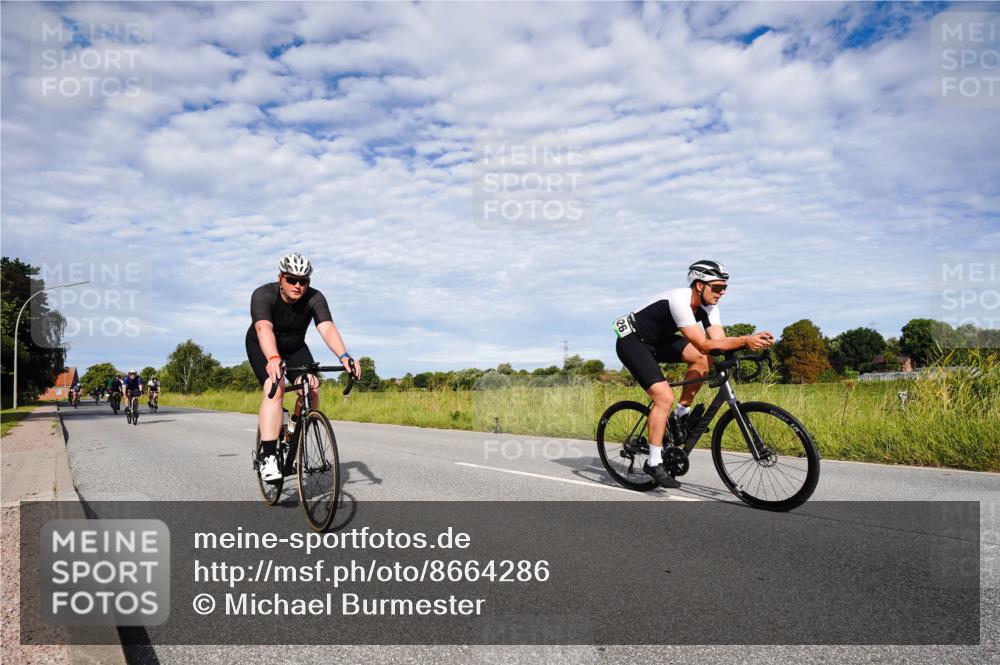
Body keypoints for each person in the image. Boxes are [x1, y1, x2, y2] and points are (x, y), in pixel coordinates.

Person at [614, 260, 775, 488]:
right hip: (632, 341)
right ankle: (654, 461)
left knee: (703, 359)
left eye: (725, 288)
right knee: (663, 397)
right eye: (717, 288)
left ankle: (680, 414)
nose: (722, 293)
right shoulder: (680, 300)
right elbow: (702, 342)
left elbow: (718, 343)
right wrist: (745, 340)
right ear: (699, 285)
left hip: (659, 341)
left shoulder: (709, 308)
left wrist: (747, 347)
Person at [247, 252, 360, 482]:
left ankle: (292, 434)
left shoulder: (315, 297)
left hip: (295, 347)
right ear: (281, 278)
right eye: (292, 279)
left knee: (312, 387)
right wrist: (273, 358)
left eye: (304, 280)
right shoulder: (263, 295)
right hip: (263, 346)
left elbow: (327, 327)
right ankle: (268, 457)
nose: (298, 285)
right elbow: (263, 328)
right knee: (275, 386)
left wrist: (344, 356)